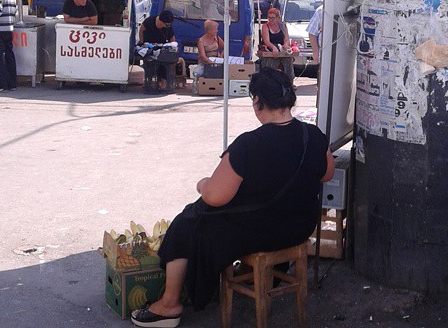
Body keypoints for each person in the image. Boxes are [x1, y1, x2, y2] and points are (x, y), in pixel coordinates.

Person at [130, 68, 335, 328]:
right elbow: (327, 173)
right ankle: (250, 274)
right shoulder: (313, 136)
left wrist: (202, 184)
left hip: (262, 231)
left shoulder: (248, 144)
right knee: (228, 216)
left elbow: (215, 197)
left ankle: (169, 304)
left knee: (187, 222)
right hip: (299, 227)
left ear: (258, 102)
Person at [259, 8, 293, 83]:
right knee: (271, 61)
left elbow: (286, 38)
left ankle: (288, 81)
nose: (270, 20)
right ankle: (270, 82)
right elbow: (266, 41)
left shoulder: (282, 26)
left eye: (273, 18)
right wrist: (273, 47)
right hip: (269, 49)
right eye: (269, 18)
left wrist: (285, 45)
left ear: (278, 18)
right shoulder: (265, 26)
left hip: (281, 49)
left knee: (288, 60)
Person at [190, 20, 224, 95]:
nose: (217, 31)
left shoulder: (217, 38)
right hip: (205, 63)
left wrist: (221, 56)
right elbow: (202, 56)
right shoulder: (201, 41)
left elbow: (225, 47)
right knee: (197, 72)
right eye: (215, 29)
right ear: (209, 31)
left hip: (217, 61)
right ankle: (196, 87)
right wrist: (211, 62)